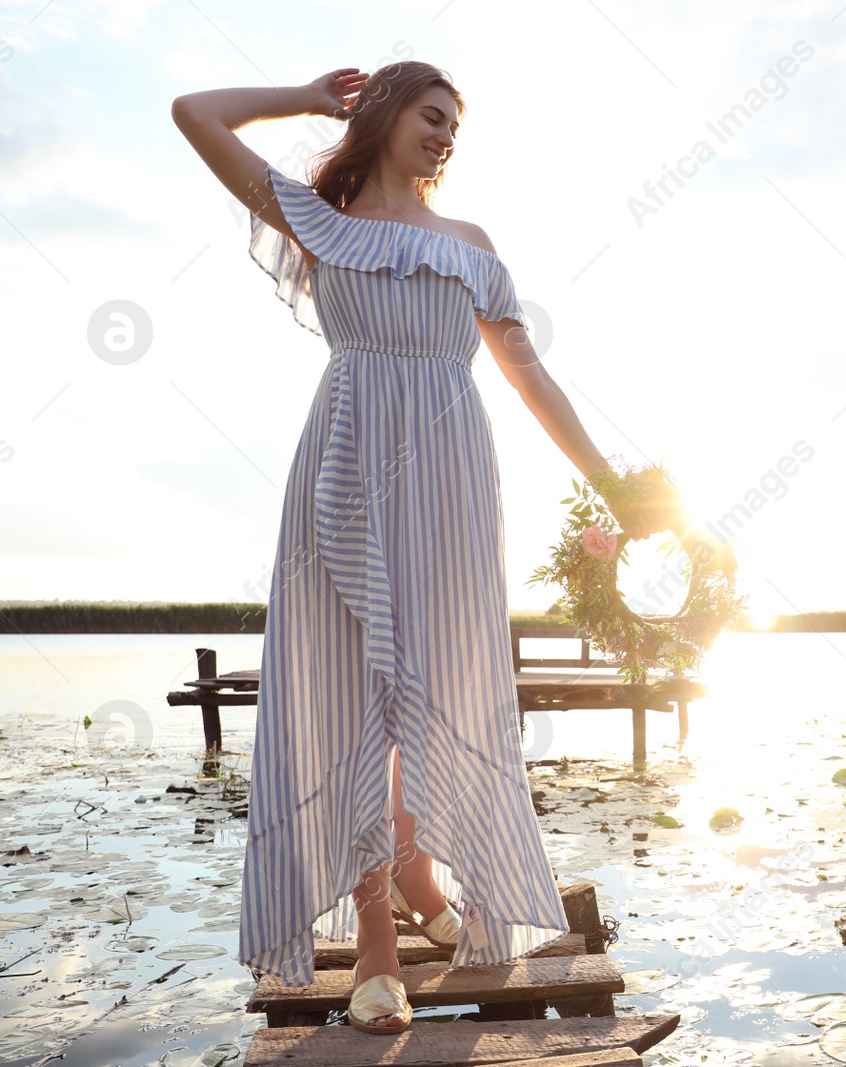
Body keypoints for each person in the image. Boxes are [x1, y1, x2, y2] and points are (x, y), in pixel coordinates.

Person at [171, 62, 656, 1034]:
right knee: (353, 689)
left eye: (455, 127)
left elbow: (533, 379)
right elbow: (196, 113)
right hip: (345, 463)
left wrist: (615, 484)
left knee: (439, 682)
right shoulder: (317, 219)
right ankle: (378, 950)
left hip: (450, 479)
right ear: (386, 115)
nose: (444, 137)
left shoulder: (471, 246)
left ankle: (424, 867)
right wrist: (309, 100)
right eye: (431, 117)